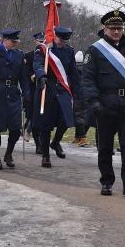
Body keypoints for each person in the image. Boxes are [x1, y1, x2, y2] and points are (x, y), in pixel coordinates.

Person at [83, 10, 125, 196]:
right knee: (105, 146)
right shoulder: (95, 51)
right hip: (105, 105)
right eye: (113, 28)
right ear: (104, 29)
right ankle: (106, 181)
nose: (116, 32)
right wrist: (94, 102)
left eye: (119, 28)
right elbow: (88, 79)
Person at [0, 29, 30, 169]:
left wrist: (27, 96)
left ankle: (8, 154)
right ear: (5, 40)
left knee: (15, 129)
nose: (15, 44)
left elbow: (24, 78)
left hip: (13, 94)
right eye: (13, 42)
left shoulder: (19, 55)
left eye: (16, 42)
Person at [33, 26, 81, 168]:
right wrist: (41, 75)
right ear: (55, 36)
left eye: (65, 40)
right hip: (47, 88)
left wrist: (78, 92)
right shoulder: (43, 49)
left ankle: (55, 142)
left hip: (63, 89)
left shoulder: (69, 51)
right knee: (46, 125)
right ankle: (46, 156)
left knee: (66, 121)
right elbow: (37, 64)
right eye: (61, 39)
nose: (62, 42)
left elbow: (73, 73)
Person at [23, 32, 44, 154]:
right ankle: (38, 144)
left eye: (43, 42)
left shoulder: (49, 56)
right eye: (40, 42)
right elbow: (25, 74)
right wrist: (34, 76)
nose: (42, 44)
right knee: (33, 116)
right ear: (35, 42)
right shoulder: (29, 56)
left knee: (43, 119)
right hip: (32, 90)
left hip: (45, 91)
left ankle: (40, 140)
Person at [71, 50, 89, 147]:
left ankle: (83, 138)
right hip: (86, 94)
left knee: (78, 116)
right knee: (81, 115)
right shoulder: (86, 68)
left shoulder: (74, 69)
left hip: (78, 94)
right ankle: (78, 136)